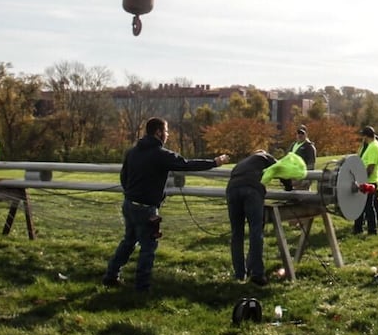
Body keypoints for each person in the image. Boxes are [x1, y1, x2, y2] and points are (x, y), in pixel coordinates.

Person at [104, 119, 228, 292]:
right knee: (148, 247)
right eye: (166, 131)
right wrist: (215, 162)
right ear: (158, 132)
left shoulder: (132, 152)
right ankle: (142, 287)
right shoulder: (161, 154)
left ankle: (111, 275)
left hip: (129, 204)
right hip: (147, 208)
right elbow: (186, 164)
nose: (167, 135)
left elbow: (124, 177)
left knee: (129, 241)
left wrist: (131, 194)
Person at [226, 150, 306, 285]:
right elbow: (281, 169)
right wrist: (289, 189)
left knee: (236, 234)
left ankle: (239, 274)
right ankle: (257, 273)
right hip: (252, 190)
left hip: (232, 190)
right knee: (255, 231)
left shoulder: (242, 163)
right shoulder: (264, 157)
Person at [353, 125, 378, 235]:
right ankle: (358, 228)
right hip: (366, 180)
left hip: (369, 181)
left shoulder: (373, 147)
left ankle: (372, 230)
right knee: (361, 206)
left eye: (363, 136)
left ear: (366, 136)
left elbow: (371, 166)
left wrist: (362, 179)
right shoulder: (372, 146)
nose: (363, 138)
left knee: (368, 207)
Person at [282, 125, 316, 190]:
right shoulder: (293, 145)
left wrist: (307, 179)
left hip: (302, 179)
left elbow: (311, 164)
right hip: (292, 177)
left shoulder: (309, 147)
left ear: (306, 134)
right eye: (298, 133)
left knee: (302, 197)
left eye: (302, 133)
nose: (300, 135)